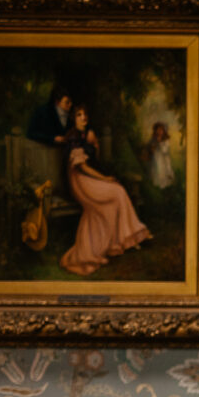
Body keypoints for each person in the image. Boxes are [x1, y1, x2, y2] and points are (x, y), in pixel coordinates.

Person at [59, 106, 151, 276]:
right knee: (117, 192)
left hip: (89, 178)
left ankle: (117, 242)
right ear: (73, 118)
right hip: (80, 181)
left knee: (114, 198)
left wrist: (95, 144)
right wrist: (104, 179)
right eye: (79, 115)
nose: (83, 117)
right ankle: (131, 234)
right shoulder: (73, 137)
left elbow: (94, 161)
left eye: (85, 114)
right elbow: (83, 167)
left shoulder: (86, 134)